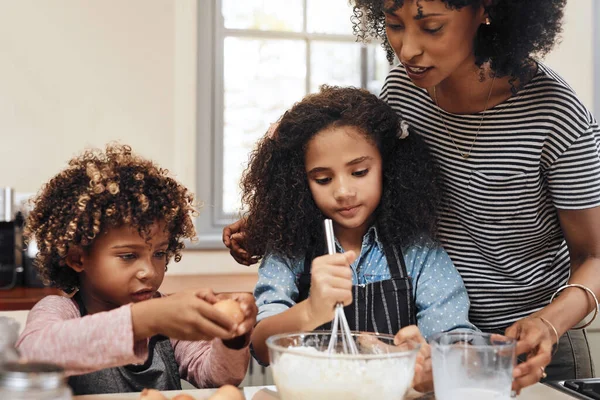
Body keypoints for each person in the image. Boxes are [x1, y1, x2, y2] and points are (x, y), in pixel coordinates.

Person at [225, 0, 600, 392]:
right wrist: (276, 213)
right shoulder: (405, 87)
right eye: (393, 24)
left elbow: (595, 255)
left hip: (530, 342)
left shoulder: (558, 115)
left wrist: (548, 322)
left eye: (432, 28)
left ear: (488, 11)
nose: (407, 50)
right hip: (436, 346)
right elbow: (359, 159)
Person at [239, 85, 475, 391]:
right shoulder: (289, 251)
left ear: (388, 168)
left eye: (359, 172)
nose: (343, 192)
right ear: (299, 182)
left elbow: (456, 342)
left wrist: (428, 361)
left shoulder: (418, 252)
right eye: (323, 179)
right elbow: (262, 347)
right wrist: (311, 310)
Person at [17, 144, 257, 396]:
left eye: (159, 254)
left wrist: (234, 337)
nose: (149, 272)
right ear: (78, 258)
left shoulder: (166, 316)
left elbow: (215, 379)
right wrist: (146, 319)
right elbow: (33, 355)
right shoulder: (61, 311)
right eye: (128, 256)